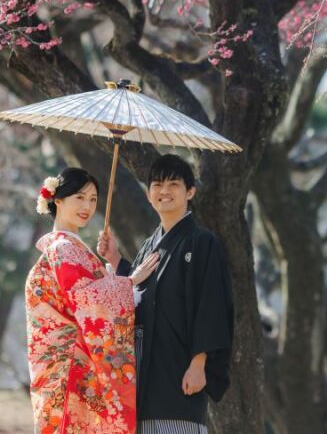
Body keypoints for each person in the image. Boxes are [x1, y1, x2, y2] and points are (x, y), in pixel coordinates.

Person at [99, 154, 234, 434]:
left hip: (179, 366)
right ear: (149, 195)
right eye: (157, 184)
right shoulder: (150, 244)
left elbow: (212, 306)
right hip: (145, 366)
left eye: (174, 184)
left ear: (191, 192)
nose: (164, 191)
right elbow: (138, 291)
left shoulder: (202, 242)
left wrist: (199, 363)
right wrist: (115, 260)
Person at [25, 167, 159, 434]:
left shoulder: (70, 247)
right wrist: (131, 281)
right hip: (70, 369)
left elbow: (85, 294)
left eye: (93, 199)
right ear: (58, 200)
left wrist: (110, 265)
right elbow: (87, 300)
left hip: (67, 367)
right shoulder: (63, 248)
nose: (87, 206)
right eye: (79, 197)